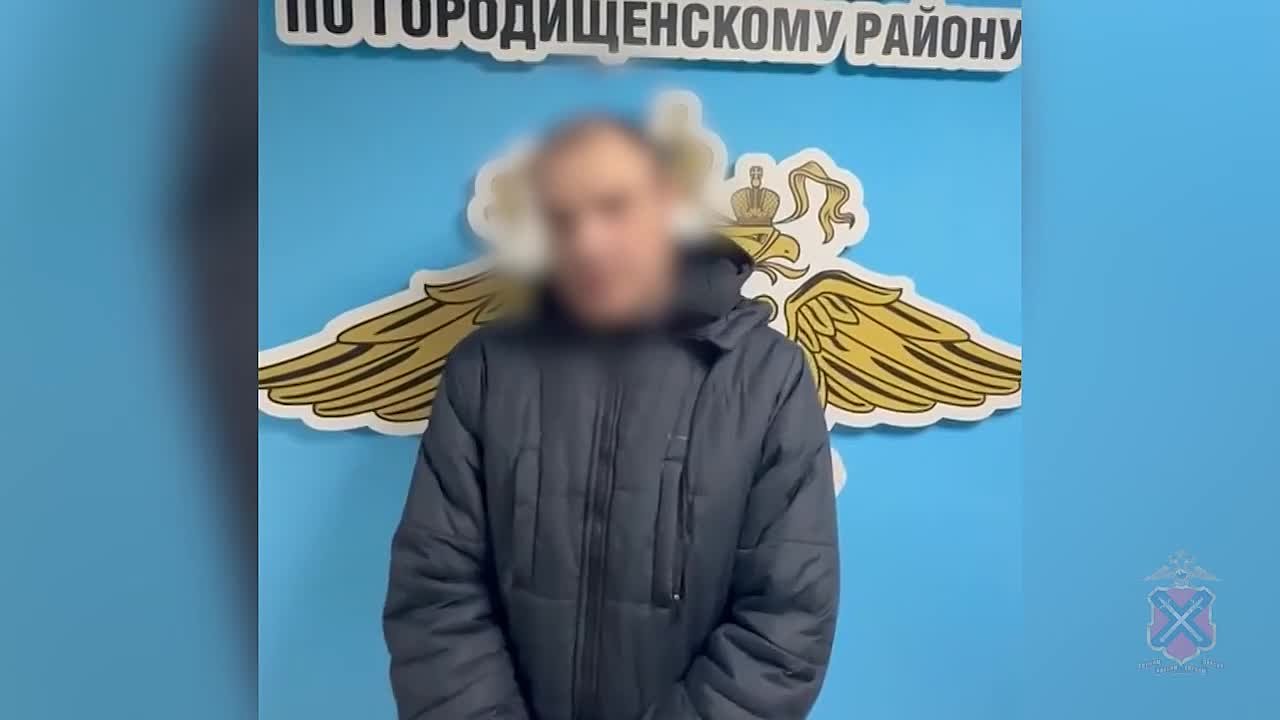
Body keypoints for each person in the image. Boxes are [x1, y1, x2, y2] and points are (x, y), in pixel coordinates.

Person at [383, 116, 839, 720]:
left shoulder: (765, 377)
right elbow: (435, 594)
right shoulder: (486, 369)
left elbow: (786, 619)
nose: (589, 240)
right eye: (563, 216)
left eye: (614, 207)